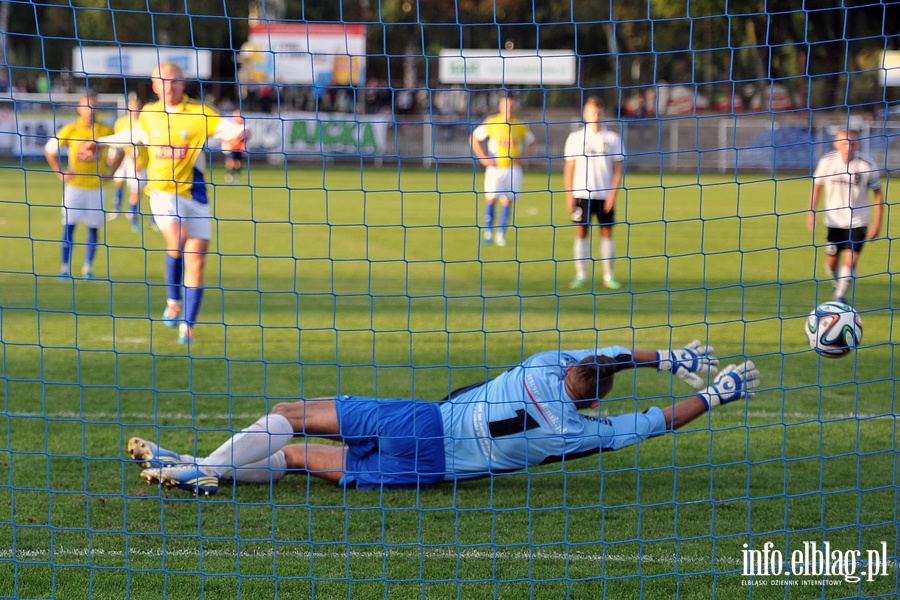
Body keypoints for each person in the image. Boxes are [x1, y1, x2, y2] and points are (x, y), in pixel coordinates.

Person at [127, 341, 760, 497]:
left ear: (572, 368)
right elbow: (651, 423)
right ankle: (196, 469)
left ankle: (201, 469)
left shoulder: (541, 366)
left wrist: (662, 355)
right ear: (596, 399)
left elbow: (601, 356)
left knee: (293, 416)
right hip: (436, 470)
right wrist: (716, 397)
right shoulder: (582, 430)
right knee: (295, 459)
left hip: (423, 423)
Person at [99, 62, 244, 344]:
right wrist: (100, 140)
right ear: (154, 86)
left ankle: (187, 325)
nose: (169, 86)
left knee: (197, 262)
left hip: (197, 196)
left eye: (174, 80)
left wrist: (239, 132)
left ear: (184, 83)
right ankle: (173, 298)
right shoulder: (150, 114)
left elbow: (229, 129)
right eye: (163, 81)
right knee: (177, 237)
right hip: (163, 192)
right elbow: (134, 136)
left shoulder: (200, 113)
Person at [44, 94, 118, 279]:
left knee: (93, 228)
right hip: (75, 187)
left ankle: (88, 268)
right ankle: (64, 268)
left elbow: (124, 149)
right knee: (69, 227)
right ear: (79, 108)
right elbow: (49, 150)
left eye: (93, 107)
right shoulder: (70, 129)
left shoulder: (105, 130)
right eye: (86, 106)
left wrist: (112, 171)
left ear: (98, 109)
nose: (90, 110)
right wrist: (59, 171)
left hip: (97, 187)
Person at [807, 129, 884, 304]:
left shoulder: (867, 165)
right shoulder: (827, 162)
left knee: (851, 260)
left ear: (858, 144)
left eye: (852, 143)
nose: (848, 146)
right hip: (833, 221)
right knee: (832, 263)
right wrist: (811, 212)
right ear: (836, 144)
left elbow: (878, 194)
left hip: (858, 221)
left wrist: (877, 223)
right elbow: (817, 187)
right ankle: (837, 283)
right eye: (844, 143)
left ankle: (840, 297)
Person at [564, 96, 625, 290]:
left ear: (603, 114)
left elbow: (617, 169)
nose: (595, 116)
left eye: (598, 113)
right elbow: (569, 168)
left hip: (604, 195)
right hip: (581, 193)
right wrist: (569, 194)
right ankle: (581, 275)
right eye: (592, 113)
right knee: (581, 233)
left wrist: (612, 195)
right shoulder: (575, 138)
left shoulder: (613, 138)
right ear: (585, 114)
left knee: (607, 233)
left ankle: (609, 276)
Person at [470, 94, 535, 247]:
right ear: (500, 107)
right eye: (506, 106)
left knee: (507, 201)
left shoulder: (519, 125)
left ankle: (501, 235)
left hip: (513, 169)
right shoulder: (492, 122)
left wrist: (524, 157)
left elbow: (532, 142)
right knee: (491, 199)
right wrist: (483, 158)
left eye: (511, 106)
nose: (509, 109)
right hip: (495, 169)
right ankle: (487, 233)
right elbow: (473, 138)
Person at [107, 96, 150, 232]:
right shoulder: (121, 123)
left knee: (137, 189)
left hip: (139, 161)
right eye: (132, 107)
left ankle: (133, 215)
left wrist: (139, 159)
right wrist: (111, 155)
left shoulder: (144, 123)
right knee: (118, 181)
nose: (135, 110)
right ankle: (117, 209)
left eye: (137, 108)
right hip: (123, 157)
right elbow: (116, 141)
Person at [222, 110, 247, 183]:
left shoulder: (244, 126)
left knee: (237, 161)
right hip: (230, 147)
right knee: (229, 161)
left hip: (239, 147)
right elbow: (224, 135)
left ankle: (237, 175)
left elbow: (247, 134)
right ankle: (229, 175)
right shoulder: (229, 125)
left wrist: (237, 139)